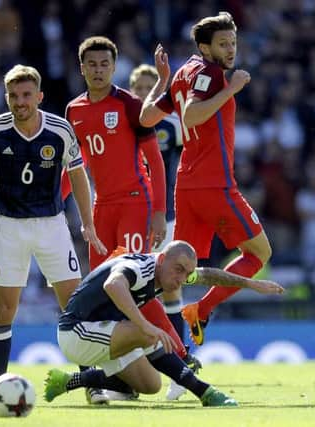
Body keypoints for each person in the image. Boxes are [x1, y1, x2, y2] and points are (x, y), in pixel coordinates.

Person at [0, 64, 106, 405]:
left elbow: (79, 175)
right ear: (6, 97)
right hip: (10, 227)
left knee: (74, 306)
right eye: (13, 95)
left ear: (39, 96)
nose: (19, 101)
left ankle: (92, 382)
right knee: (4, 309)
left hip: (52, 225)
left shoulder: (60, 130)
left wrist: (87, 222)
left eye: (26, 95)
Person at [63, 36, 191, 403]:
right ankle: (107, 377)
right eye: (92, 64)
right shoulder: (74, 111)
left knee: (135, 286)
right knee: (99, 292)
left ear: (113, 67)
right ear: (81, 67)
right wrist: (61, 198)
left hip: (135, 204)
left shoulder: (130, 105)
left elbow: (155, 160)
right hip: (101, 209)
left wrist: (158, 213)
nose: (98, 70)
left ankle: (182, 361)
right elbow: (78, 164)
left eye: (105, 64)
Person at [140, 12, 272, 346]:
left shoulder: (184, 72)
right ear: (204, 46)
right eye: (223, 44)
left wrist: (162, 80)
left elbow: (146, 117)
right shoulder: (212, 74)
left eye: (233, 43)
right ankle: (200, 310)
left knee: (177, 273)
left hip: (185, 185)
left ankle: (130, 309)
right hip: (215, 185)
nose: (230, 50)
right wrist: (234, 87)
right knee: (259, 253)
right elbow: (192, 114)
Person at [43, 240, 284, 406]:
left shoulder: (169, 271)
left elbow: (209, 274)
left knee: (150, 385)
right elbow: (113, 285)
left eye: (185, 274)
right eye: (178, 270)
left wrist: (251, 284)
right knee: (148, 334)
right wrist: (146, 326)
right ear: (162, 259)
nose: (181, 279)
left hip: (105, 332)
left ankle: (68, 381)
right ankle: (205, 392)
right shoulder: (140, 267)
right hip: (76, 333)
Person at [129, 64, 188, 400]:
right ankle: (131, 374)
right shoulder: (121, 121)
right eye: (140, 86)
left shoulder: (171, 124)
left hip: (162, 215)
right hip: (127, 213)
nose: (146, 92)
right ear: (132, 88)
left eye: (153, 86)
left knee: (170, 290)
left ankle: (180, 368)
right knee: (133, 290)